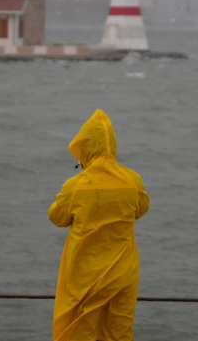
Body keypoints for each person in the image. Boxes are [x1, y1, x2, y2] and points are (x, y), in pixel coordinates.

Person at [48, 109, 150, 341]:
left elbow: (57, 217)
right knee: (118, 333)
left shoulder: (76, 186)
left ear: (83, 148)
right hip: (123, 273)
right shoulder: (132, 180)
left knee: (78, 333)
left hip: (85, 276)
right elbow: (141, 209)